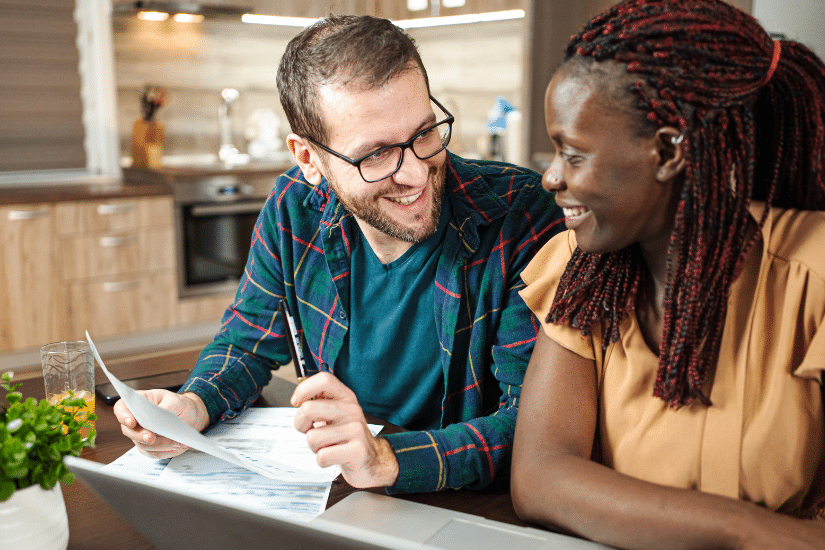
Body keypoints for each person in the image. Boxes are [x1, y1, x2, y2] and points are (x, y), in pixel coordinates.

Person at [114, 14, 565, 493]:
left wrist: (386, 459)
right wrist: (196, 406)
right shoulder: (294, 208)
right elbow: (246, 343)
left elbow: (535, 425)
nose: (413, 173)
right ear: (310, 159)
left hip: (459, 495)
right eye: (375, 155)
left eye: (425, 134)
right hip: (343, 481)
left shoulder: (522, 215)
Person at [512, 0, 825, 548]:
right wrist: (741, 530)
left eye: (573, 154)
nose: (551, 178)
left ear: (667, 151)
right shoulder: (582, 270)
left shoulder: (812, 272)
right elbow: (540, 478)